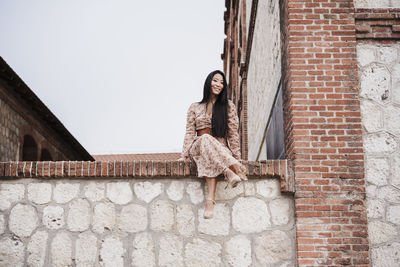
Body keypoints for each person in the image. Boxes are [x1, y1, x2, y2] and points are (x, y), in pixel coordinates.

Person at [178, 70, 247, 219]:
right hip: (198, 145)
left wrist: (237, 156)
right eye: (215, 81)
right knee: (205, 139)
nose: (219, 85)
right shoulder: (194, 107)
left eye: (222, 83)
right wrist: (184, 155)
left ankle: (210, 202)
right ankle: (229, 171)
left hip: (219, 148)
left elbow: (233, 134)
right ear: (209, 82)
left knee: (210, 150)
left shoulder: (228, 106)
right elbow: (190, 132)